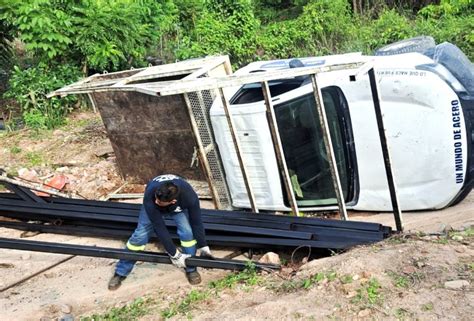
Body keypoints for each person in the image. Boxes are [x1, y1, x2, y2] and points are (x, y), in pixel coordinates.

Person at [108, 174, 213, 290]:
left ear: (173, 201)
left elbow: (196, 222)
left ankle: (191, 268)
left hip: (177, 208)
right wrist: (174, 253)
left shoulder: (189, 197)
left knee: (187, 232)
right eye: (157, 199)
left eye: (160, 202)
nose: (157, 202)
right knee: (140, 236)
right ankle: (121, 272)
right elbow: (159, 227)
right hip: (154, 208)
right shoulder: (151, 196)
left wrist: (203, 246)